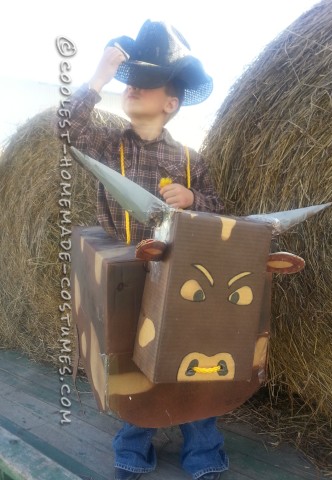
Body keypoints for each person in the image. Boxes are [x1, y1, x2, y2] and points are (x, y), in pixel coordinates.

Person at [65, 20, 229, 480]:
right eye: (130, 81)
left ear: (170, 102)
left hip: (181, 277)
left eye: (147, 83)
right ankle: (132, 445)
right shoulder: (108, 143)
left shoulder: (193, 161)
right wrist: (98, 77)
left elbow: (222, 214)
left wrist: (194, 200)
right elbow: (66, 131)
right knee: (129, 359)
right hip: (125, 275)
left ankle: (204, 448)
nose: (133, 87)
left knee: (192, 358)